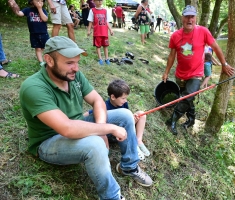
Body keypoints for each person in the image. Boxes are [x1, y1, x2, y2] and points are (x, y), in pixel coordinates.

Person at [19, 36, 153, 199]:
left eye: (77, 62)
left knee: (125, 115)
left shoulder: (73, 75)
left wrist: (101, 129)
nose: (75, 68)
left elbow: (97, 100)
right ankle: (112, 196)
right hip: (49, 141)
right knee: (95, 144)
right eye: (69, 62)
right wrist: (106, 129)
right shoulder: (34, 87)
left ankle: (129, 166)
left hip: (78, 124)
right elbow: (66, 128)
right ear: (49, 60)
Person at [162, 5, 235, 135]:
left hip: (196, 74)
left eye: (192, 16)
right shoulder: (175, 36)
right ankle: (191, 119)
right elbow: (172, 55)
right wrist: (166, 71)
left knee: (186, 97)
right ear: (182, 18)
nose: (189, 19)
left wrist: (224, 64)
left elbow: (216, 48)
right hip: (180, 74)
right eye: (187, 16)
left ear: (196, 18)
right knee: (188, 98)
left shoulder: (203, 32)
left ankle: (172, 121)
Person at [85, 79, 151, 160]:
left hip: (123, 129)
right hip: (112, 134)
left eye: (126, 98)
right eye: (123, 98)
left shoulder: (124, 104)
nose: (125, 100)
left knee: (142, 114)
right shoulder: (105, 106)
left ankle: (138, 141)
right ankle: (133, 147)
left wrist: (133, 120)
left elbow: (126, 120)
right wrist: (79, 119)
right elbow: (90, 113)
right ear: (113, 97)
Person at [8, 0, 49, 65]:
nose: (40, 2)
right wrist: (13, 6)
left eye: (42, 1)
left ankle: (48, 61)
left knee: (45, 48)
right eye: (38, 0)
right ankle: (41, 62)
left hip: (43, 33)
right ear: (32, 1)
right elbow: (19, 13)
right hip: (33, 33)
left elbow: (45, 19)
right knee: (38, 48)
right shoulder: (28, 10)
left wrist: (39, 8)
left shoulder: (43, 10)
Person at [87, 0, 114, 65]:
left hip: (104, 32)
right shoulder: (92, 10)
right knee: (98, 46)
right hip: (97, 32)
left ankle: (107, 59)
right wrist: (88, 30)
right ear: (94, 1)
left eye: (101, 0)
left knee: (105, 46)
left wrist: (110, 29)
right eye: (98, 0)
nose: (100, 1)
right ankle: (100, 59)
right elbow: (90, 21)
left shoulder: (105, 11)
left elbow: (107, 21)